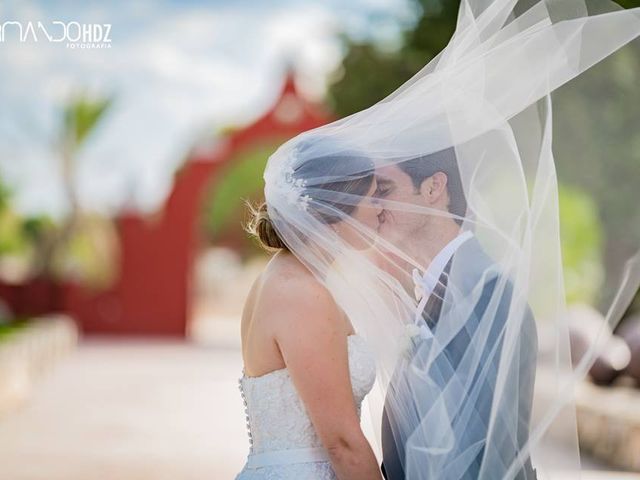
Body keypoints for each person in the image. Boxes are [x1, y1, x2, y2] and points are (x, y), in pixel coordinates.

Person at [235, 137, 384, 480]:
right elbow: (342, 443)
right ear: (335, 208)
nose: (381, 208)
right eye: (371, 197)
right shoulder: (302, 294)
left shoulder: (284, 276)